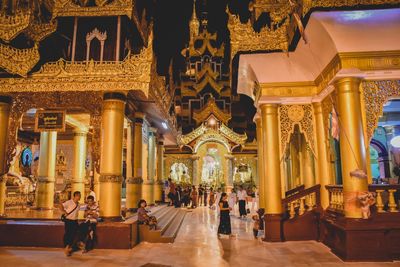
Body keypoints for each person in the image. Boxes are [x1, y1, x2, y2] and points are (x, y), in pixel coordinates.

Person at [60, 191, 81, 256]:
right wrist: (64, 212)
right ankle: (67, 248)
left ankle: (69, 247)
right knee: (68, 234)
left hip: (75, 221)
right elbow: (61, 205)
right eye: (79, 196)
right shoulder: (69, 202)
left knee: (75, 234)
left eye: (80, 196)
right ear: (75, 196)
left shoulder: (78, 204)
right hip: (68, 221)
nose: (79, 197)